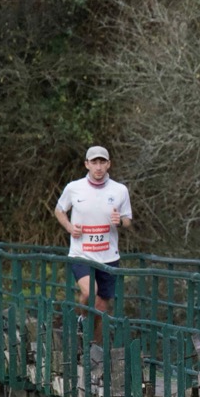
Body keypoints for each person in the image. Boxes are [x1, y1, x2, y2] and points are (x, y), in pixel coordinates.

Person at [53, 145, 133, 345]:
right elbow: (59, 210)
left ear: (109, 164)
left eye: (102, 162)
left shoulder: (120, 190)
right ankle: (81, 318)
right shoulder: (74, 188)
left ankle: (95, 351)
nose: (98, 167)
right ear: (86, 164)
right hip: (82, 254)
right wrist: (70, 227)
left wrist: (119, 221)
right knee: (90, 292)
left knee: (101, 309)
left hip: (109, 256)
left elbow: (128, 220)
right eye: (94, 162)